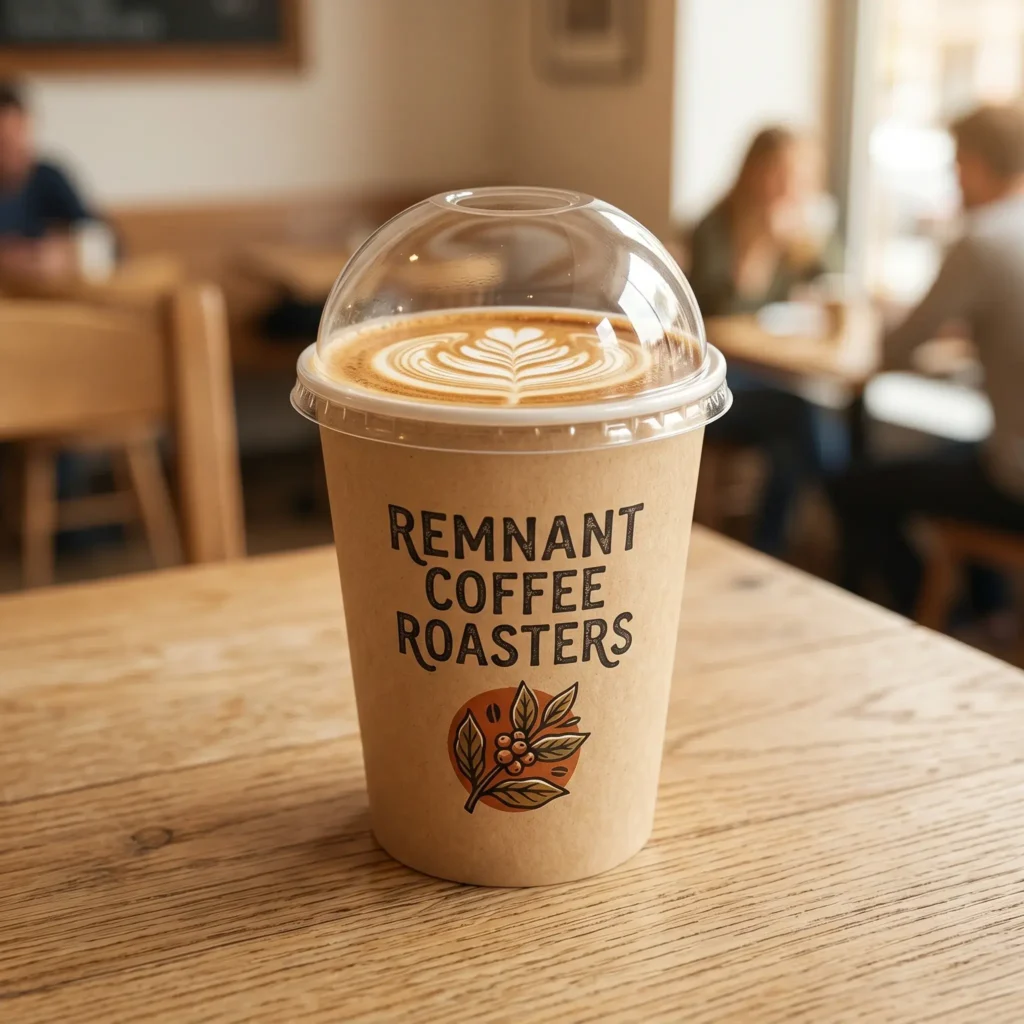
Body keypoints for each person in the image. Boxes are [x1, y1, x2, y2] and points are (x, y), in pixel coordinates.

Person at [829, 103, 1024, 617]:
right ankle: (987, 609)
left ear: (977, 165)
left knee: (854, 487)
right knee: (958, 453)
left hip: (1015, 482)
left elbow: (897, 348)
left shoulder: (983, 241)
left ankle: (933, 617)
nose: (954, 179)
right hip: (1006, 460)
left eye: (956, 165)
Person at [689, 127, 842, 555]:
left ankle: (772, 543)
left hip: (773, 372)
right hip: (721, 376)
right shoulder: (715, 226)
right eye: (778, 172)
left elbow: (837, 290)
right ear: (753, 171)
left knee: (793, 433)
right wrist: (760, 246)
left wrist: (809, 244)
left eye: (798, 175)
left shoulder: (808, 228)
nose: (787, 185)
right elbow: (714, 313)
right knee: (800, 418)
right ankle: (826, 509)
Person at [0, 81, 93, 285]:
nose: (14, 149)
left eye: (18, 135)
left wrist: (66, 255)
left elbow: (102, 242)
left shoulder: (49, 178)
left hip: (55, 298)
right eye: (4, 142)